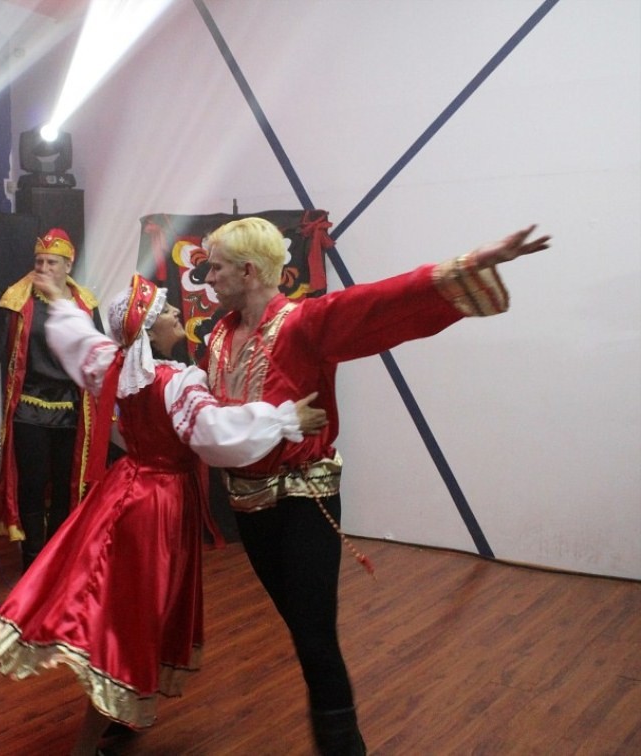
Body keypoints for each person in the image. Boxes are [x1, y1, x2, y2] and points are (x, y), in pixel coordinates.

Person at [200, 218, 552, 755]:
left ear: (248, 271)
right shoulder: (220, 335)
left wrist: (470, 263)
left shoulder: (303, 322)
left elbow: (382, 302)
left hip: (302, 500)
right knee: (302, 630)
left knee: (315, 638)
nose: (208, 277)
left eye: (216, 267)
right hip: (246, 506)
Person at [0, 272, 328, 756]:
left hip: (127, 490)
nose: (175, 314)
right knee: (136, 615)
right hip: (158, 502)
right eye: (165, 311)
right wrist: (285, 419)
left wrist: (59, 300)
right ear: (148, 329)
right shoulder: (176, 381)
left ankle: (121, 711)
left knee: (131, 608)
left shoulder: (117, 366)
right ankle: (88, 741)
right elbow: (215, 433)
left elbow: (81, 341)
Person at [0, 228, 103, 571]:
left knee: (65, 488)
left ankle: (59, 557)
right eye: (38, 261)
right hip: (30, 409)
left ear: (68, 266)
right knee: (32, 485)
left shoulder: (86, 305)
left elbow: (97, 355)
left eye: (51, 262)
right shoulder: (17, 300)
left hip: (73, 410)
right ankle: (32, 561)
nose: (43, 268)